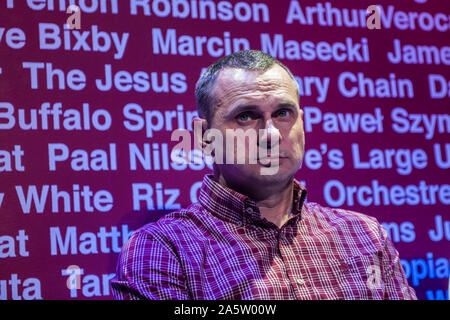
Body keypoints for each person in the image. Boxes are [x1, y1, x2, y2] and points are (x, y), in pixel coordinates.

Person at [110, 50, 417, 300]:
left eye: (283, 113)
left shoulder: (364, 234)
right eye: (246, 116)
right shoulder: (162, 251)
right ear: (204, 138)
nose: (270, 134)